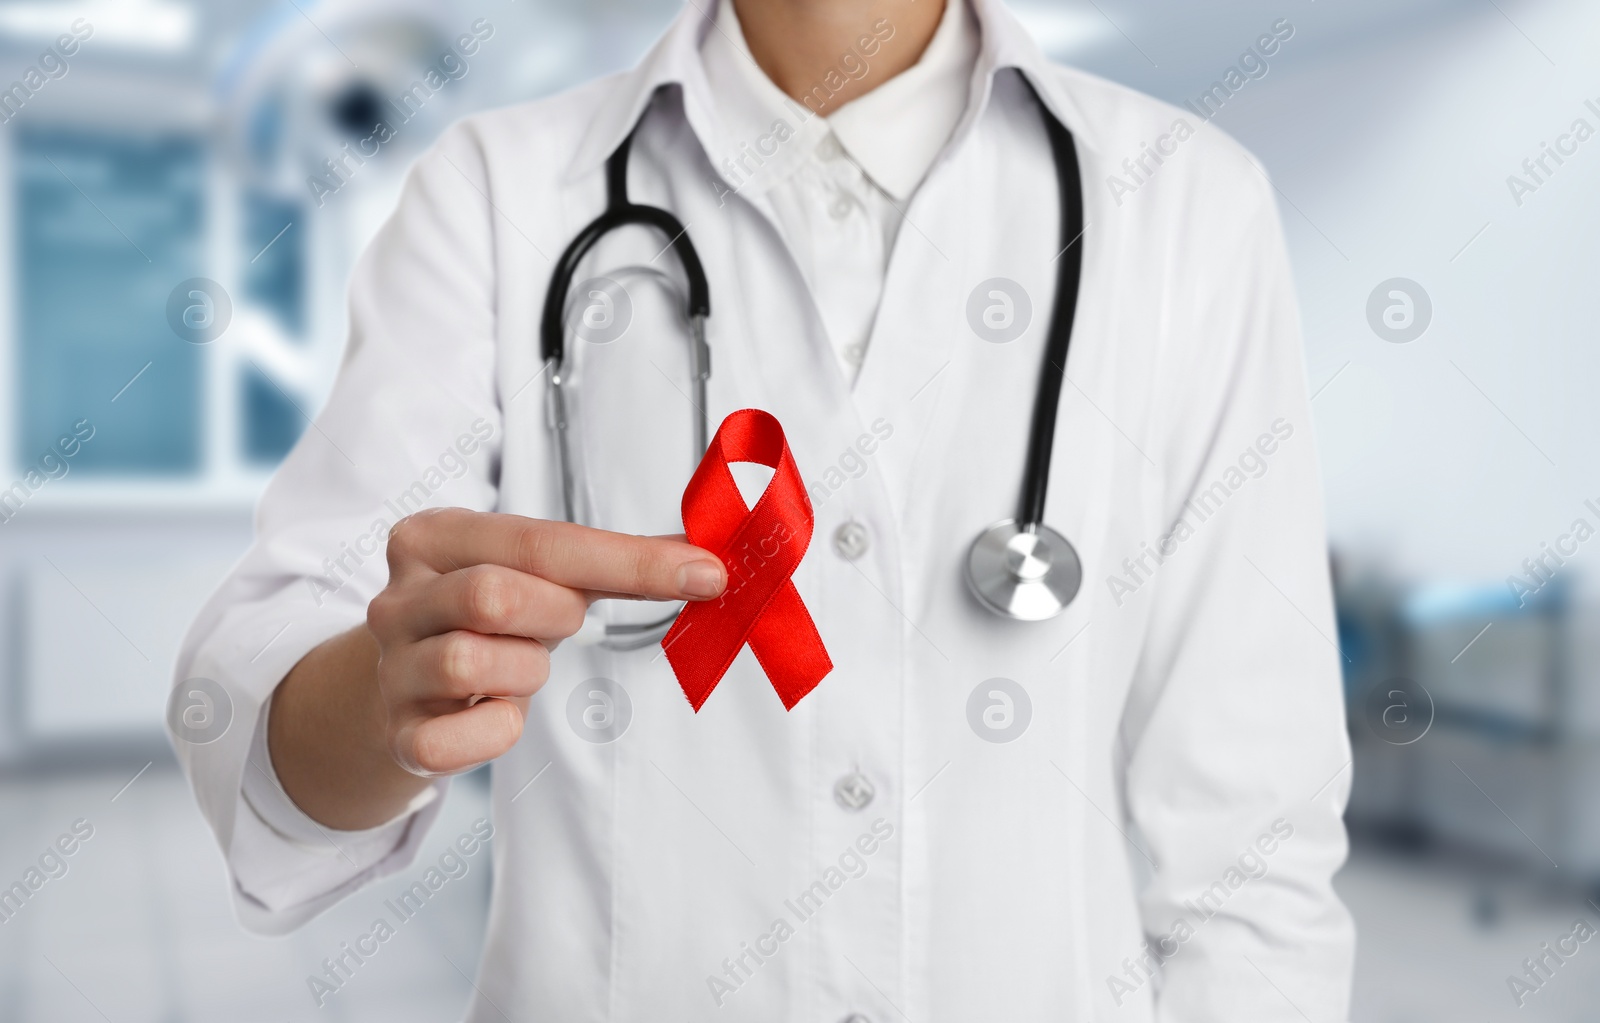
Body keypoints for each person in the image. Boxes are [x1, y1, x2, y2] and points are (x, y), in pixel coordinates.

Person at [173, 0, 1356, 1019]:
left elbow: (1251, 860)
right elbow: (249, 722)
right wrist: (384, 702)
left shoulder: (1183, 206)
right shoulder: (499, 193)